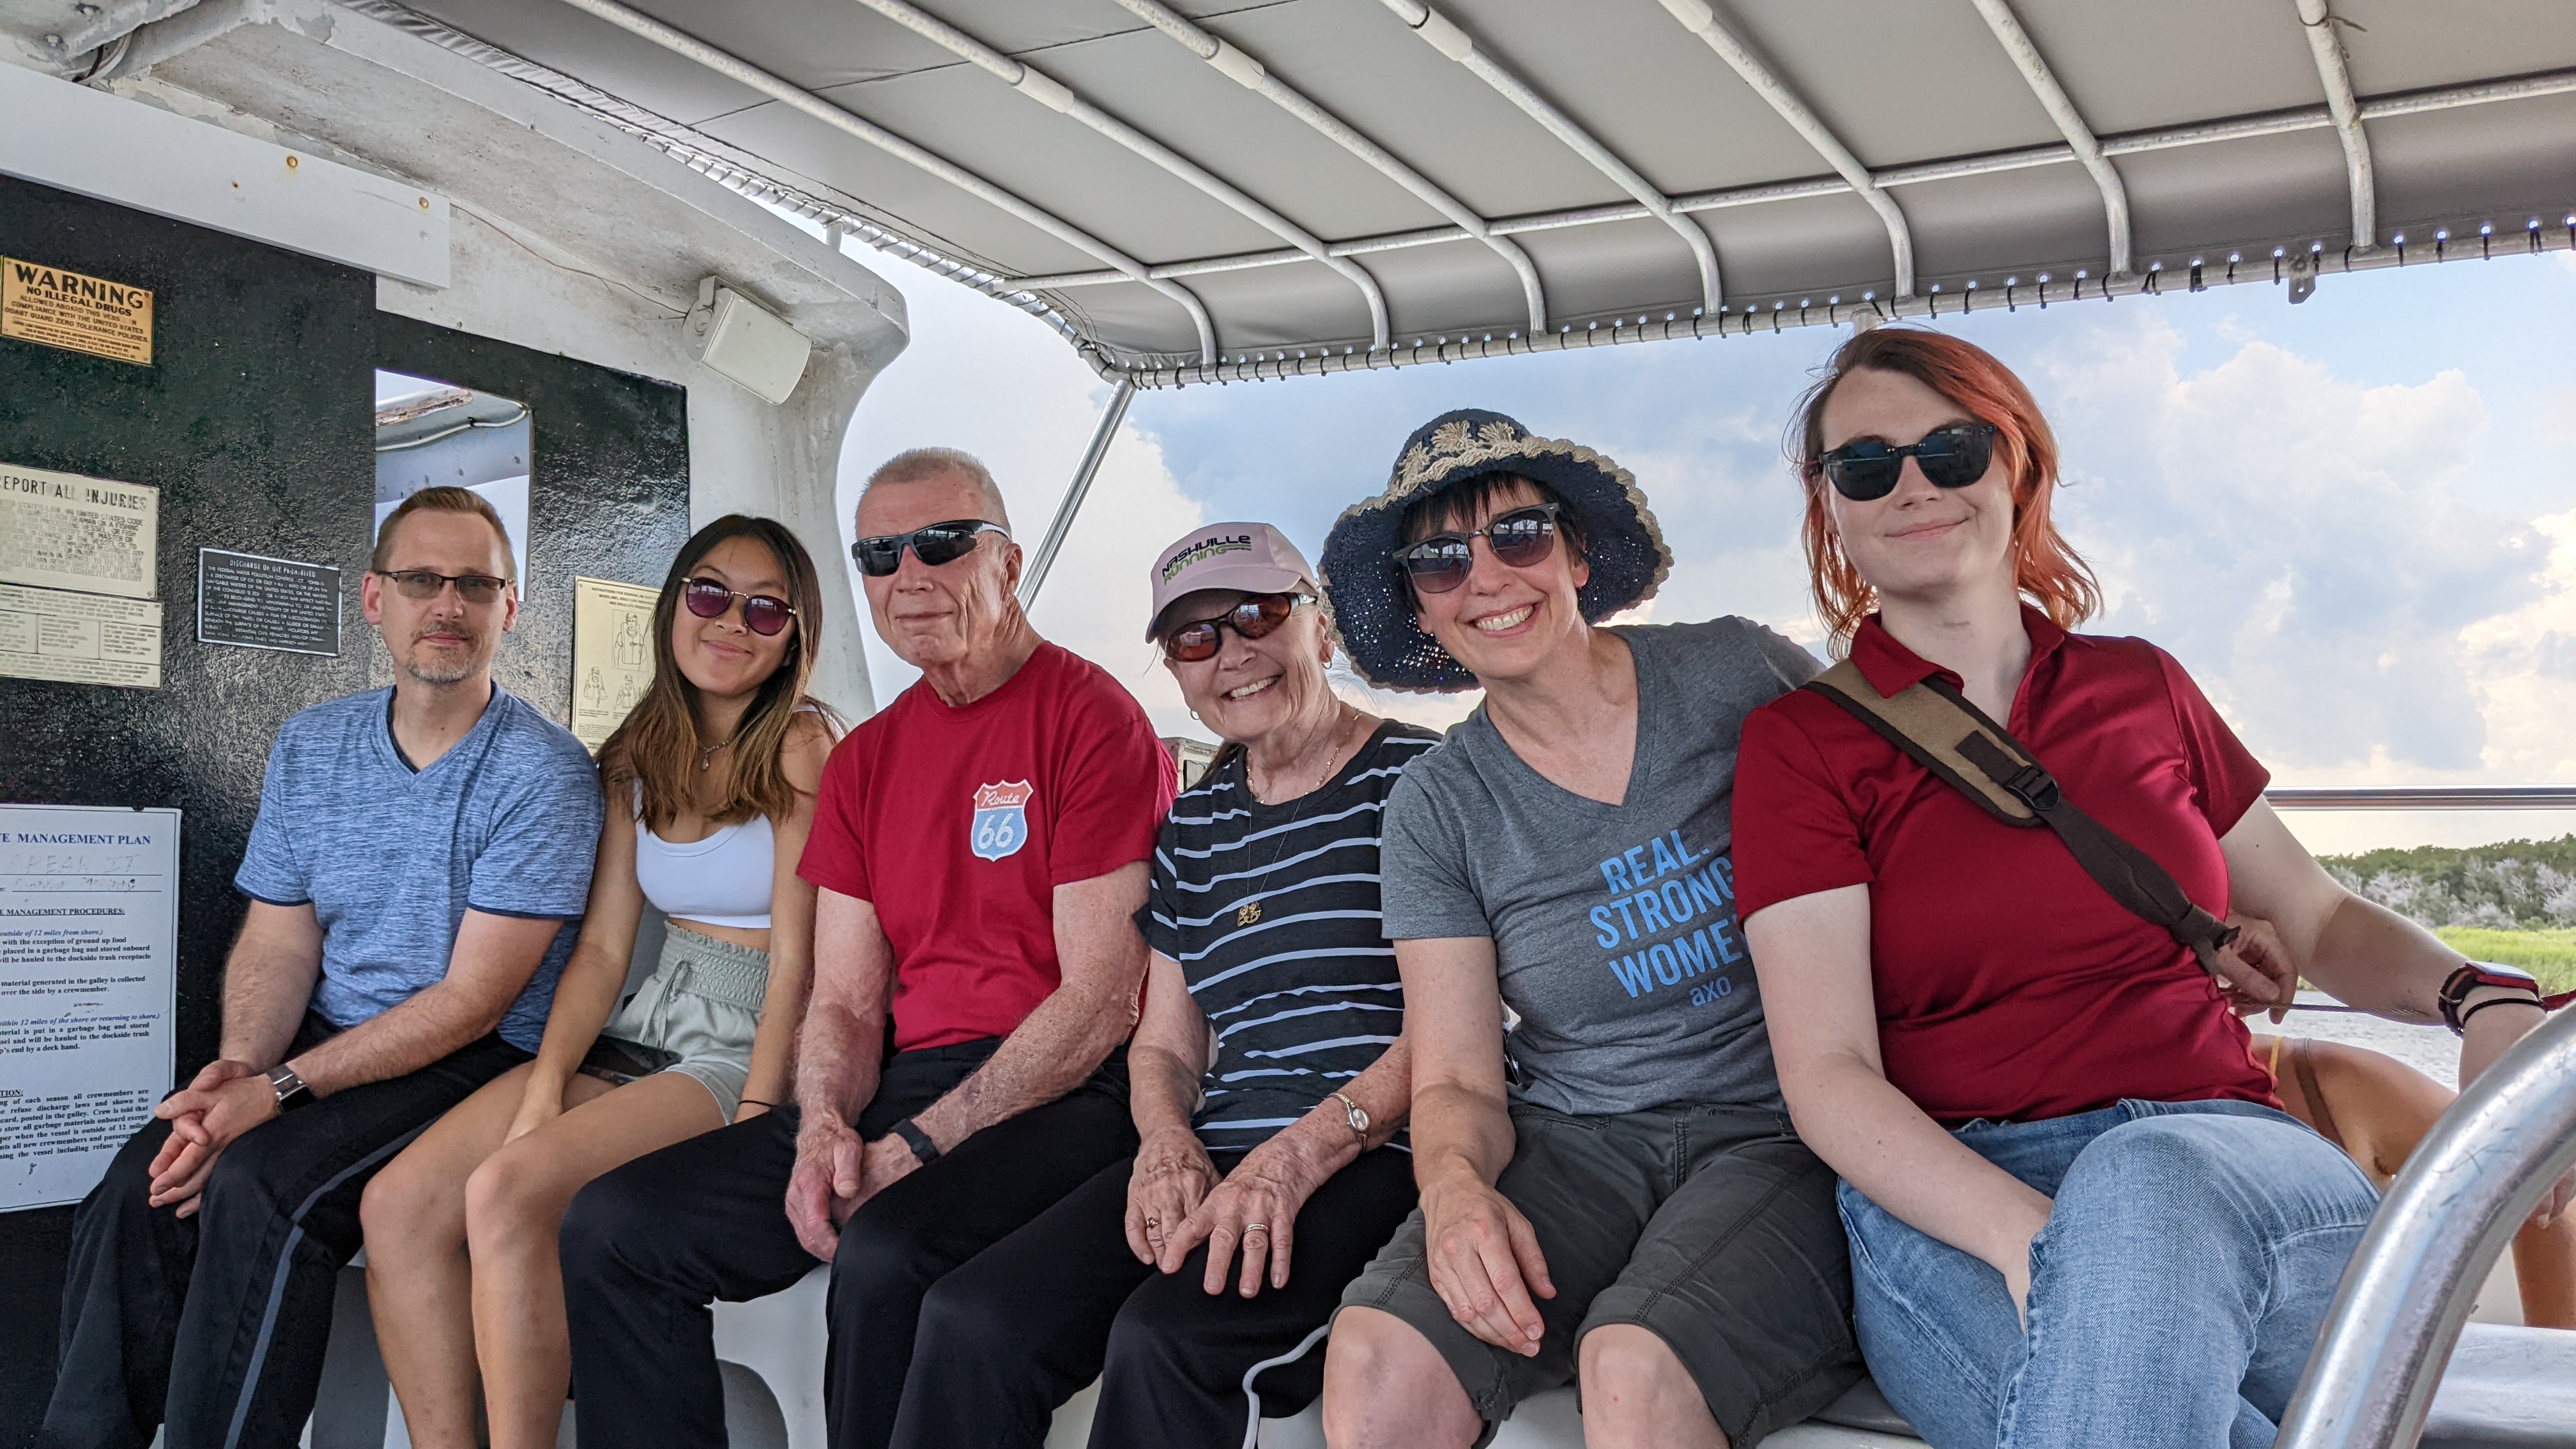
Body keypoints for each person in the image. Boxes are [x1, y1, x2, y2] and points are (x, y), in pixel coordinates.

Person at [1733, 326, 2575, 1449]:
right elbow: (1828, 1073)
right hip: (1963, 1193)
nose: (1915, 485)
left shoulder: (2145, 688)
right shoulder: (1803, 746)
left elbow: (2320, 917)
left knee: (2151, 1176)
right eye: (1867, 465)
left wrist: (2481, 996)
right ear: (1829, 504)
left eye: (1952, 448)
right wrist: (2042, 1243)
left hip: (2237, 1164)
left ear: (2017, 462)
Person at [556, 448, 1177, 1449]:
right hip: (902, 1078)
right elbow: (844, 999)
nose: (909, 576)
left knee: (887, 1253)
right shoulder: (868, 759)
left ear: (1009, 564)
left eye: (942, 543)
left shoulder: (1091, 719)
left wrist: (923, 1145)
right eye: (881, 555)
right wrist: (823, 1129)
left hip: (1071, 1094)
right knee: (613, 1228)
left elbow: (1103, 998)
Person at [1315, 411, 1864, 1449]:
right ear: (1420, 610)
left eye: (1516, 536)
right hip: (1577, 1140)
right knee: (1377, 1361)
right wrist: (1458, 1189)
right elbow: (1460, 1082)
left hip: (1786, 1124)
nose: (1485, 577)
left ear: (1572, 554)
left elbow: (1913, 797)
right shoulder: (1437, 805)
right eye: (1439, 560)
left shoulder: (1738, 673)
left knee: (1633, 1367)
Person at [44, 487, 602, 1449]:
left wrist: (278, 1092)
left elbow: (474, 1001)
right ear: (373, 597)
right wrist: (235, 1070)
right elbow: (279, 938)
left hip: (474, 1059)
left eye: (476, 584)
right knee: (150, 1178)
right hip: (327, 1043)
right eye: (422, 579)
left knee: (265, 1193)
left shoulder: (543, 773)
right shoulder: (313, 744)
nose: (448, 605)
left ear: (510, 609)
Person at [891, 523, 1438, 1448]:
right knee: (972, 1319)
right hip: (1221, 1142)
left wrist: (1298, 1157)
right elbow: (1168, 1044)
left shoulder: (1423, 781)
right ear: (1178, 672)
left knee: (1165, 1339)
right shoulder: (1197, 825)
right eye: (1195, 638)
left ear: (1325, 630)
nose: (1232, 653)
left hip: (1385, 1149)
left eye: (1259, 615)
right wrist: (1167, 1144)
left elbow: (1455, 1028)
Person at [358, 516, 842, 1449]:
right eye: (708, 595)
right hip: (649, 1020)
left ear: (796, 635)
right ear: (673, 609)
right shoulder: (636, 755)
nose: (731, 622)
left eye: (765, 609)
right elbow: (603, 953)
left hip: (748, 1038)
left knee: (506, 1193)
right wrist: (544, 1088)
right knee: (402, 1204)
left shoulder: (802, 746)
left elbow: (801, 958)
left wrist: (755, 1117)